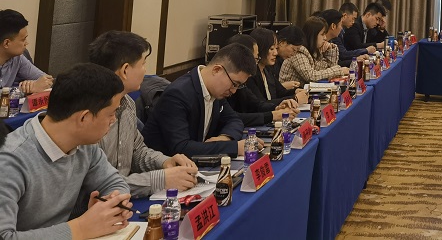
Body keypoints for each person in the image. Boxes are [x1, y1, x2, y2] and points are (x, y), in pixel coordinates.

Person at [0, 63, 134, 239]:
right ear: (84, 117)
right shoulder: (10, 160)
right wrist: (80, 228)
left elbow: (114, 182)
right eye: (111, 113)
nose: (113, 120)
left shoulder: (84, 145)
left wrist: (112, 202)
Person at [88, 31, 197, 198]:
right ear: (125, 70)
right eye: (143, 64)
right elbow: (101, 186)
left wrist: (166, 162)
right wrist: (161, 179)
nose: (146, 71)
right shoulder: (91, 116)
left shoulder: (127, 103)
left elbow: (137, 151)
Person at [143, 43, 253, 158]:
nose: (234, 91)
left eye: (238, 86)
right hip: (164, 165)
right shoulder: (177, 94)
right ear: (217, 70)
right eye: (234, 84)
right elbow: (181, 148)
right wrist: (234, 147)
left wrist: (225, 138)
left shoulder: (216, 91)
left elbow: (234, 119)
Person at [225, 34, 300, 126]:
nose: (275, 53)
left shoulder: (264, 71)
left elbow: (255, 104)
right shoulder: (229, 84)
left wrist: (277, 108)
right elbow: (230, 117)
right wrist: (273, 115)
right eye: (256, 59)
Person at [279, 17, 345, 85]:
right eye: (322, 34)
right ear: (313, 35)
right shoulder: (298, 52)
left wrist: (330, 50)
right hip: (289, 91)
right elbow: (311, 76)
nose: (325, 38)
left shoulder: (313, 51)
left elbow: (326, 70)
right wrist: (338, 70)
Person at [0, 9, 52, 94]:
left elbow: (46, 79)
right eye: (23, 39)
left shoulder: (17, 58)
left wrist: (33, 85)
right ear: (6, 43)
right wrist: (22, 90)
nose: (26, 43)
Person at [247, 27, 301, 102]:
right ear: (260, 49)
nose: (276, 53)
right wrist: (295, 98)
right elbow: (261, 104)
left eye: (276, 48)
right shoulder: (251, 75)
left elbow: (281, 92)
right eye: (271, 49)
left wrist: (296, 91)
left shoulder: (267, 70)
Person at [273, 25, 304, 92]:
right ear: (282, 43)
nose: (294, 54)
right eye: (293, 50)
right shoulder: (269, 59)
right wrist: (282, 86)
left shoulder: (279, 59)